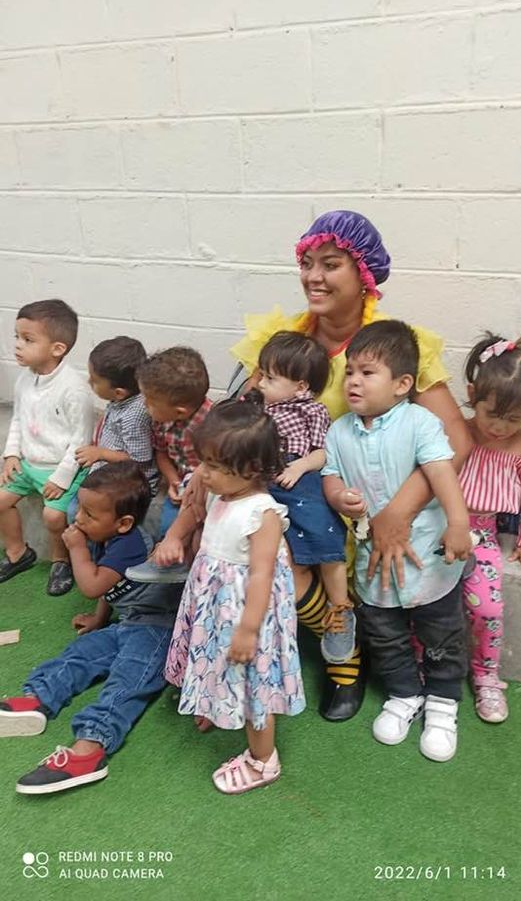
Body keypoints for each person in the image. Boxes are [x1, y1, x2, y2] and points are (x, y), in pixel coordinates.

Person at [228, 210, 472, 722]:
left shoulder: (392, 347)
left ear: (363, 274)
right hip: (291, 487)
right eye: (306, 263)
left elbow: (455, 439)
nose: (313, 277)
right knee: (269, 549)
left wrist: (398, 512)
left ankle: (353, 657)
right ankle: (344, 649)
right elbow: (241, 417)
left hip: (363, 501)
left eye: (330, 264)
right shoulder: (282, 341)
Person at [322, 320, 472, 762]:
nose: (354, 381)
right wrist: (338, 495)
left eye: (368, 372)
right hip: (373, 560)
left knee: (442, 632)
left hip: (427, 556)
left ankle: (443, 702)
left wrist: (458, 522)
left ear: (403, 384)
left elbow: (441, 471)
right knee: (383, 633)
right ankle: (404, 694)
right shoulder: (339, 431)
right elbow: (330, 473)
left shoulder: (420, 422)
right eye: (350, 371)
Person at [0, 462, 180, 795]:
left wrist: (76, 549)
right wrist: (99, 619)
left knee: (128, 680)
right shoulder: (103, 536)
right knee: (80, 653)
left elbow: (93, 584)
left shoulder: (129, 543)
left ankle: (90, 748)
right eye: (79, 508)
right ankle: (37, 699)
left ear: (123, 523)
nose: (78, 519)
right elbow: (110, 588)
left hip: (157, 629)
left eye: (89, 514)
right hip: (127, 622)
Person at [164, 400, 305, 794]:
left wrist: (248, 630)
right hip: (216, 609)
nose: (203, 472)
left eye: (213, 465)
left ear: (251, 468)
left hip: (245, 615)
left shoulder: (263, 514)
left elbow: (262, 574)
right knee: (218, 663)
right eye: (203, 462)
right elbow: (197, 502)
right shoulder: (222, 492)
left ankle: (263, 761)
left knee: (253, 686)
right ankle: (217, 703)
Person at [255, 330, 354, 664]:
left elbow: (324, 453)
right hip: (265, 488)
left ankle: (340, 609)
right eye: (262, 375)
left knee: (327, 545)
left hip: (303, 485)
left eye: (270, 378)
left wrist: (299, 466)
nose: (260, 384)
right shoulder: (258, 410)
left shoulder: (313, 412)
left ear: (300, 387)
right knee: (281, 559)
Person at [0, 299, 94, 596]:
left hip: (61, 467)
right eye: (17, 336)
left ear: (57, 348)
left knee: (53, 516)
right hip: (29, 464)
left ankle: (60, 561)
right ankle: (18, 553)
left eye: (28, 339)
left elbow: (81, 440)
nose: (17, 345)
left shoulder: (74, 388)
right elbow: (18, 418)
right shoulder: (25, 378)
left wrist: (61, 478)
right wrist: (11, 454)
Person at [459, 333, 521, 724]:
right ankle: (424, 664)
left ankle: (486, 675)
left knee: (487, 607)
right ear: (473, 395)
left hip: (483, 534)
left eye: (514, 419)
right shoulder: (457, 431)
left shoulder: (520, 447)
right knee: (424, 601)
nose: (500, 427)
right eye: (493, 414)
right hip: (439, 528)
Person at [126, 347, 213, 584]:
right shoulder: (161, 419)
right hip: (181, 487)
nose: (144, 405)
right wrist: (174, 480)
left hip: (209, 489)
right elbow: (162, 452)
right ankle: (170, 563)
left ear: (180, 411)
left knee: (196, 535)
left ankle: (185, 568)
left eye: (150, 401)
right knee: (167, 523)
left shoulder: (212, 424)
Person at [75, 336, 158, 493]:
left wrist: (101, 453)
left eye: (94, 381)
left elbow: (139, 460)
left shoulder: (134, 417)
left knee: (78, 502)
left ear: (119, 392)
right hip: (110, 469)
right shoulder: (123, 399)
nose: (88, 382)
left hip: (129, 485)